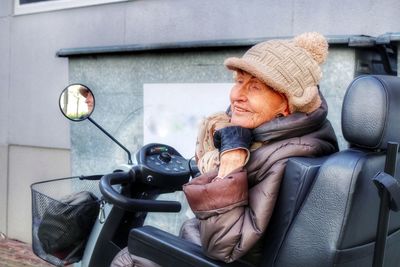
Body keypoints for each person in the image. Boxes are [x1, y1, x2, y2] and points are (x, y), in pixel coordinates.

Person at [111, 32, 338, 267]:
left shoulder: (285, 157)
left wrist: (231, 158)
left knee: (129, 257)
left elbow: (224, 246)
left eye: (255, 87)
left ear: (288, 104)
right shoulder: (293, 138)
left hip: (212, 255)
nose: (236, 95)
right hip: (206, 246)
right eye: (239, 81)